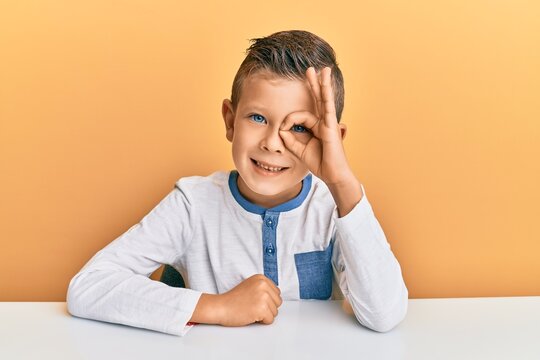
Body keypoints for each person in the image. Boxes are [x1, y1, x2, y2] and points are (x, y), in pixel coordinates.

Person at [66, 30, 408, 336]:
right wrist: (218, 307)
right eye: (258, 118)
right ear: (230, 120)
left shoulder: (334, 208)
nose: (273, 143)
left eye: (300, 127)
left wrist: (342, 181)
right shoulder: (193, 203)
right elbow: (88, 287)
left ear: (333, 139)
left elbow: (384, 315)